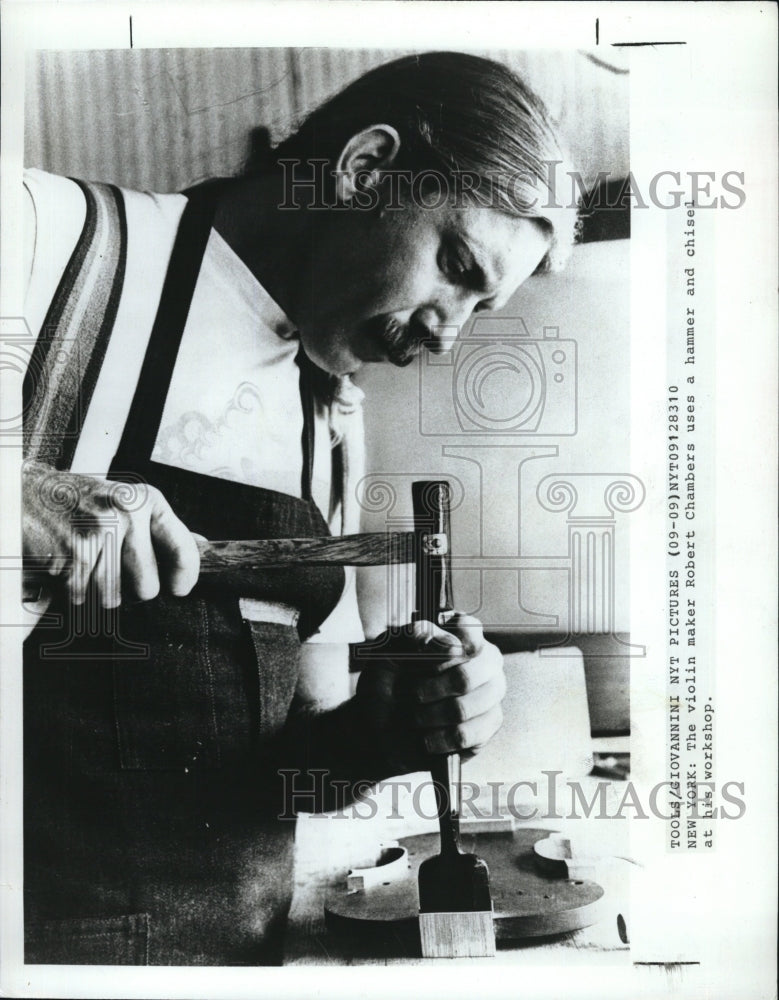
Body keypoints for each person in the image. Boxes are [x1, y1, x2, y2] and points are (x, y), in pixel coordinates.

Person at [21, 51, 577, 965]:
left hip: (227, 960)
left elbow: (291, 775)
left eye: (478, 308)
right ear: (362, 168)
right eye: (454, 267)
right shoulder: (52, 240)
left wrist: (382, 731)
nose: (445, 335)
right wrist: (21, 497)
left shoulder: (330, 416)